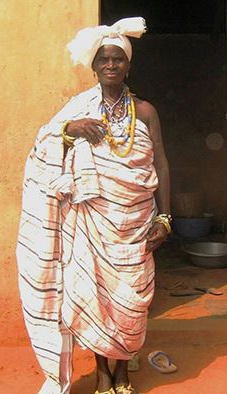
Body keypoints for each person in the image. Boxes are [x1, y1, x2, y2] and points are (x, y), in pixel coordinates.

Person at [16, 17, 171, 394]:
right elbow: (43, 144)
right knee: (95, 294)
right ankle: (104, 374)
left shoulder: (145, 111)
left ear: (128, 65)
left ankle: (123, 371)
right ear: (94, 65)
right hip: (92, 222)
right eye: (103, 59)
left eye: (117, 59)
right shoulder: (78, 109)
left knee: (131, 297)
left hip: (134, 221)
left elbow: (161, 165)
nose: (110, 65)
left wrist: (165, 218)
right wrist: (71, 129)